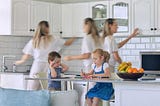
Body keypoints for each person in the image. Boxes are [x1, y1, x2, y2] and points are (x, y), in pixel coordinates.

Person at [15, 21, 75, 90]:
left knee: (31, 89)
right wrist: (74, 35)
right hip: (48, 66)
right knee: (45, 90)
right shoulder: (53, 39)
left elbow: (26, 56)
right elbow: (67, 43)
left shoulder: (34, 41)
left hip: (37, 67)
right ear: (47, 28)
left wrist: (20, 61)